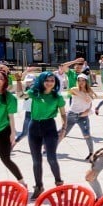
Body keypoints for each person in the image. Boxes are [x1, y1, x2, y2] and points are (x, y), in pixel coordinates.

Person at [26, 71, 67, 199]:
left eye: (52, 81)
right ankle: (39, 186)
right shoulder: (34, 93)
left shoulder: (57, 97)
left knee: (51, 158)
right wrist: (18, 82)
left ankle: (59, 183)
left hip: (49, 126)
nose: (50, 83)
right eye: (47, 80)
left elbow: (63, 114)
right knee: (36, 160)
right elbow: (20, 95)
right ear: (42, 81)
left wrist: (64, 129)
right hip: (34, 127)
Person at [65, 74, 97, 160]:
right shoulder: (75, 89)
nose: (81, 82)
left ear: (86, 81)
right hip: (72, 114)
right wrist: (86, 96)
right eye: (79, 80)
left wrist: (87, 111)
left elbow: (89, 104)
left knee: (87, 135)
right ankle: (48, 147)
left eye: (83, 80)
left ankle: (91, 153)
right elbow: (71, 90)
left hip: (83, 116)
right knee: (63, 133)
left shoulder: (90, 92)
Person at [14, 72, 36, 144]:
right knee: (24, 132)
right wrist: (19, 80)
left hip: (37, 113)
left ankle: (45, 148)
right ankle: (13, 143)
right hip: (28, 113)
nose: (28, 83)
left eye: (30, 81)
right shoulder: (27, 88)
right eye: (27, 81)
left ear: (35, 81)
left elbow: (20, 95)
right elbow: (20, 95)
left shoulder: (34, 89)